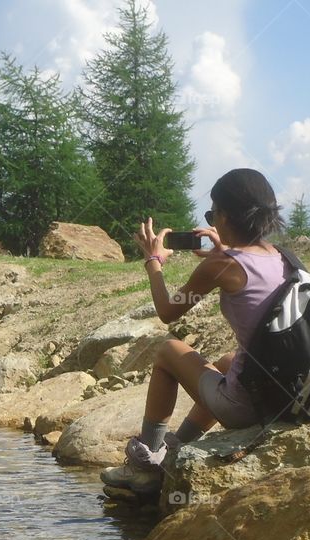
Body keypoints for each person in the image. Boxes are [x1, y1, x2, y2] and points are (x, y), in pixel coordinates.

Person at [103, 168, 287, 487]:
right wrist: (222, 254)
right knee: (230, 362)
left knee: (168, 351)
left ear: (226, 216)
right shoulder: (284, 257)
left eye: (212, 213)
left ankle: (146, 465)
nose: (211, 221)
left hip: (248, 405)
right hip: (288, 394)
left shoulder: (220, 265)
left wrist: (153, 261)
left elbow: (167, 312)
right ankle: (177, 449)